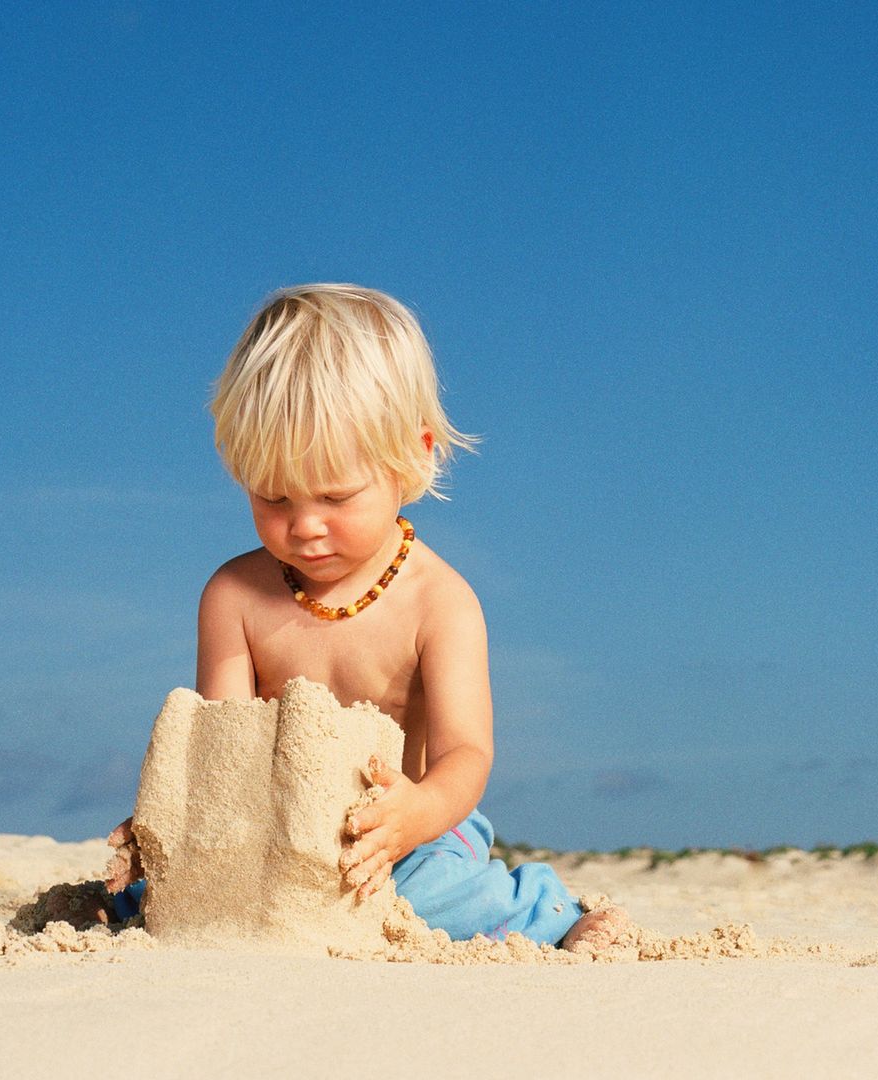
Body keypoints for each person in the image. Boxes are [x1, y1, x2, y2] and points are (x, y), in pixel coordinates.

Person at [103, 283, 628, 952]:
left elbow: (464, 753)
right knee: (153, 894)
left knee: (431, 894)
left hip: (407, 828)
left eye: (334, 495)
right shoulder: (234, 595)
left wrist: (415, 813)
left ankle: (548, 911)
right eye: (274, 497)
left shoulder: (439, 602)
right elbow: (222, 754)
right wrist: (164, 826)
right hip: (273, 829)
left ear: (416, 453)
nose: (305, 526)